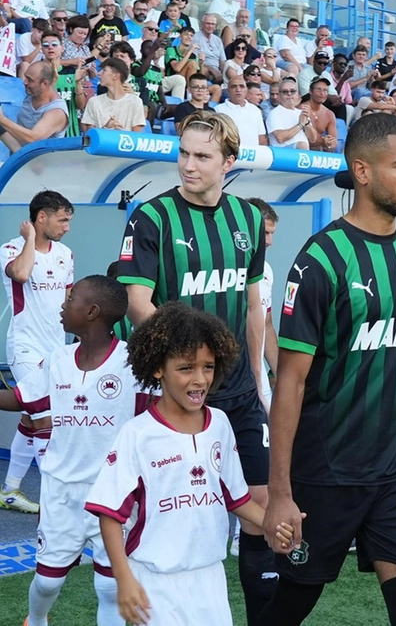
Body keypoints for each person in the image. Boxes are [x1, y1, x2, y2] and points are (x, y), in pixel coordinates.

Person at [260, 114, 396, 626]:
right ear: (362, 171)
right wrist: (280, 494)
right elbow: (290, 380)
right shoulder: (321, 258)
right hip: (328, 468)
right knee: (293, 603)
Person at [115, 113, 276, 625]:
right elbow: (138, 303)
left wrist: (254, 372)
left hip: (240, 391)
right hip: (178, 391)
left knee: (261, 506)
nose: (188, 165)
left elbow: (254, 306)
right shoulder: (151, 218)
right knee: (171, 512)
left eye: (202, 156)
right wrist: (188, 358)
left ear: (229, 162)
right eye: (183, 153)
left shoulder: (249, 220)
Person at [86, 302, 292, 626]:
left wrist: (273, 523)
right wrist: (123, 578)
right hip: (155, 582)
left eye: (208, 367)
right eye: (186, 368)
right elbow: (109, 515)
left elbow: (235, 497)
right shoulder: (138, 435)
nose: (199, 380)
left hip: (210, 579)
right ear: (158, 368)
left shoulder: (221, 424)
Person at [0, 276, 139, 626]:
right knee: (48, 581)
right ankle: (36, 618)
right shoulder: (58, 358)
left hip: (113, 494)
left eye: (71, 298)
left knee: (109, 586)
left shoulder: (132, 363)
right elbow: (18, 398)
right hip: (60, 490)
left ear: (91, 312)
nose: (63, 304)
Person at [0, 190, 73, 515]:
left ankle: (10, 490)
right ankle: (58, 501)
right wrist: (29, 238)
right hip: (24, 347)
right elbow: (22, 274)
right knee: (45, 416)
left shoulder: (66, 254)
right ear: (40, 217)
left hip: (57, 348)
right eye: (62, 219)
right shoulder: (11, 250)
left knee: (32, 419)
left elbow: (69, 300)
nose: (67, 227)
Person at [245, 198, 278, 405]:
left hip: (261, 384)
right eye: (265, 232)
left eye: (272, 234)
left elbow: (266, 325)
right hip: (234, 381)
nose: (269, 241)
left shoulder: (266, 270)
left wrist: (280, 375)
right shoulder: (228, 267)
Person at [0, 61, 70, 153]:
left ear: (44, 84)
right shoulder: (34, 92)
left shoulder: (57, 111)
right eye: (25, 77)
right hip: (21, 157)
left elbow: (34, 138)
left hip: (44, 164)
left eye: (30, 80)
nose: (24, 82)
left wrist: (2, 119)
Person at [80, 57, 147, 132]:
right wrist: (106, 128)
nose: (99, 73)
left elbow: (137, 136)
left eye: (104, 70)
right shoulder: (93, 102)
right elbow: (90, 137)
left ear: (115, 76)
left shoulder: (135, 102)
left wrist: (118, 134)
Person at [217, 76, 268, 149]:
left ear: (246, 90)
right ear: (228, 91)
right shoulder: (218, 110)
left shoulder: (255, 110)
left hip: (254, 157)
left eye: (241, 86)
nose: (238, 90)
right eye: (234, 87)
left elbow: (261, 137)